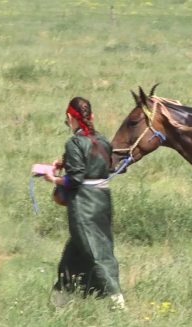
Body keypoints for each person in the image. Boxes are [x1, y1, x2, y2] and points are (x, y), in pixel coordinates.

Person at [43, 96, 125, 309]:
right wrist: (66, 162)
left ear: (71, 118)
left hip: (84, 204)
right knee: (73, 254)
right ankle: (58, 303)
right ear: (92, 117)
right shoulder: (103, 140)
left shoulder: (74, 143)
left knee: (97, 253)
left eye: (67, 120)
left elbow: (76, 179)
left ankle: (117, 302)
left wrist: (54, 178)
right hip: (103, 203)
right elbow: (100, 166)